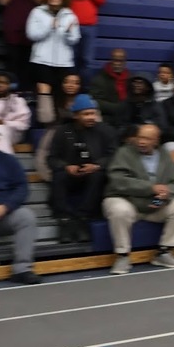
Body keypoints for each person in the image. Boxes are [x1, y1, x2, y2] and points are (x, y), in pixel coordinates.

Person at [102, 124, 174, 274]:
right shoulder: (124, 152)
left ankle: (164, 252)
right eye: (140, 137)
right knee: (119, 209)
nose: (142, 142)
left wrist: (166, 194)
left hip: (154, 205)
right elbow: (118, 180)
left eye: (147, 139)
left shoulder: (164, 155)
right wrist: (150, 188)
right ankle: (123, 256)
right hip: (128, 201)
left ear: (156, 141)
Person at [47, 94, 117, 242]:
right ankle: (64, 220)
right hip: (70, 174)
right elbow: (52, 158)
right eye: (86, 114)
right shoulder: (62, 131)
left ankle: (83, 218)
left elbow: (114, 156)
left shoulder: (105, 131)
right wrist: (65, 166)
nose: (91, 117)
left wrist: (97, 165)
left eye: (93, 113)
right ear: (75, 115)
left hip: (92, 175)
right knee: (59, 176)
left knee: (98, 175)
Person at [0, 126, 41, 284]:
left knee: (26, 217)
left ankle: (22, 270)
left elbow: (22, 187)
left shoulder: (7, 160)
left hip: (1, 216)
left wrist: (5, 207)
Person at [26, 0, 80, 97]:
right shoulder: (37, 12)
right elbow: (31, 35)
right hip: (41, 61)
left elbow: (74, 40)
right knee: (44, 93)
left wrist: (67, 33)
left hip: (64, 62)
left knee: (62, 95)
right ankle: (46, 115)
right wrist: (50, 27)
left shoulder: (70, 15)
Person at [0, 72, 32, 154]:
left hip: (11, 133)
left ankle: (4, 161)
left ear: (11, 85)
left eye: (3, 83)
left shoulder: (18, 101)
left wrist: (4, 123)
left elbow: (24, 125)